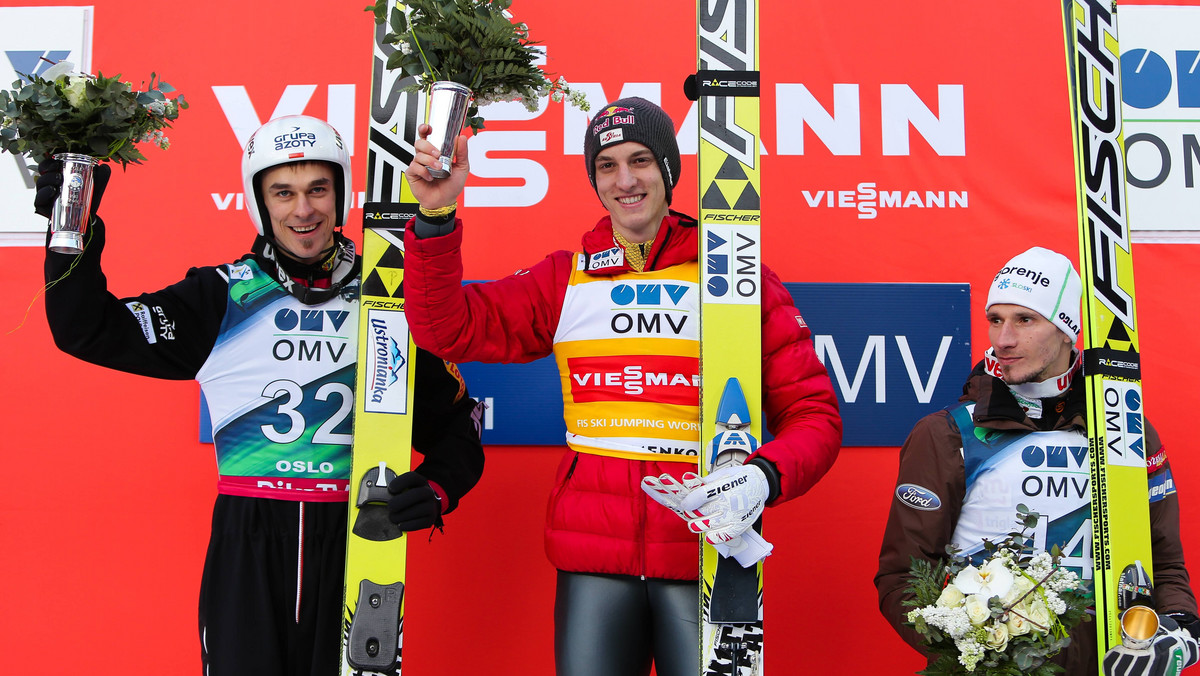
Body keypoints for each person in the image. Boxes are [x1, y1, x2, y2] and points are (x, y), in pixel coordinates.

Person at [399, 96, 843, 676]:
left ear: (670, 169)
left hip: (705, 549)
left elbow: (815, 416)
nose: (625, 180)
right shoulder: (568, 276)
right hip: (593, 554)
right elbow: (445, 328)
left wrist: (760, 476)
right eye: (606, 165)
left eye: (641, 160)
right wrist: (437, 218)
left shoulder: (735, 276)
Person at [36, 114, 486, 675]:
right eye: (284, 192)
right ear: (259, 200)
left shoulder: (386, 300)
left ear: (341, 193)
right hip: (247, 542)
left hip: (355, 543)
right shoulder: (217, 297)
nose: (304, 211)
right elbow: (85, 328)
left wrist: (439, 487)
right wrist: (70, 226)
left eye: (318, 189)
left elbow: (459, 423)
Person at [875, 246, 1200, 675]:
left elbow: (1164, 564)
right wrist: (975, 649)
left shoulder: (1127, 429)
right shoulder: (947, 434)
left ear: (1068, 330)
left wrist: (1178, 630)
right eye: (996, 319)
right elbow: (902, 578)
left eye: (1025, 320)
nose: (1004, 339)